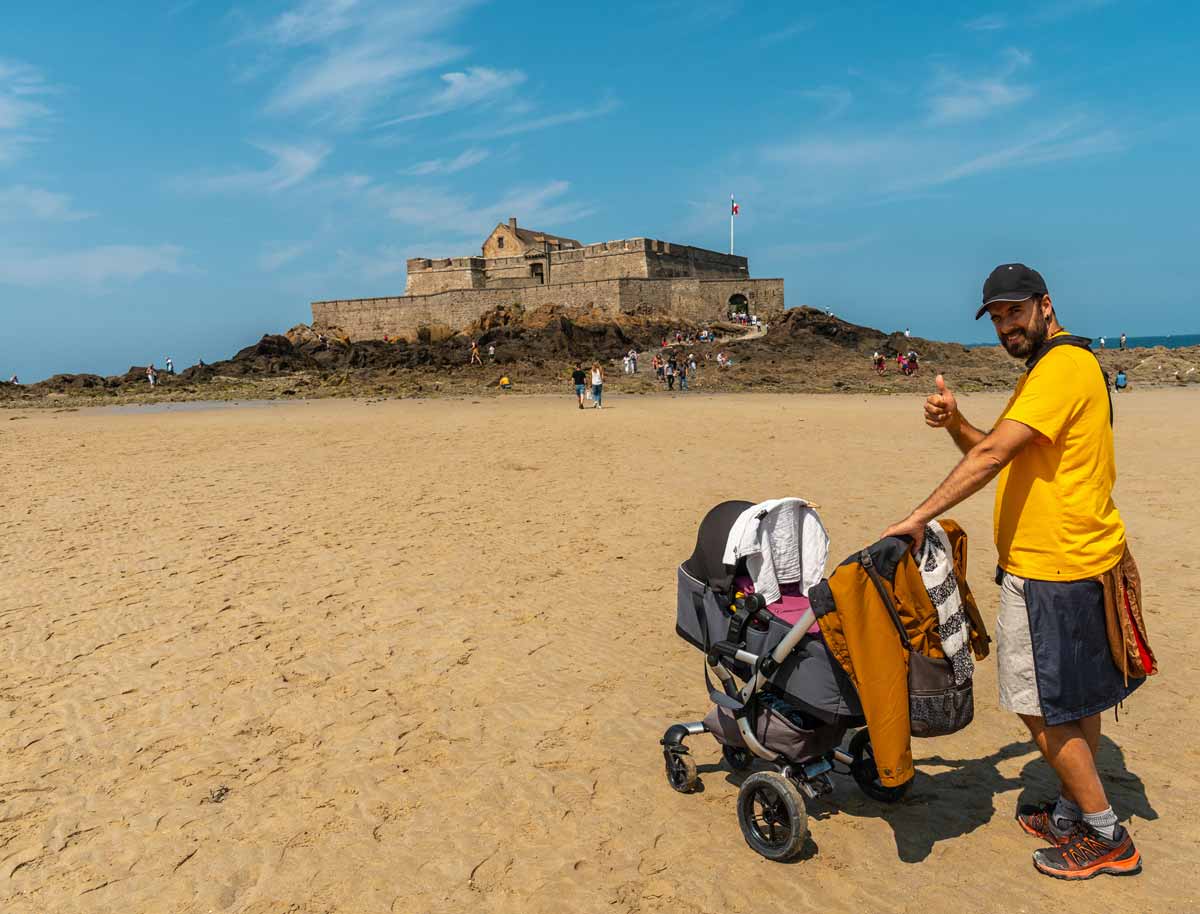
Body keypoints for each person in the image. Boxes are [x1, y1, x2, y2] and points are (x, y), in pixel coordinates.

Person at [882, 263, 1144, 880]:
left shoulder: (1058, 369)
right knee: (1074, 701)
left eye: (1014, 312)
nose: (1005, 326)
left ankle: (1106, 834)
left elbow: (995, 453)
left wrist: (918, 516)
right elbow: (996, 448)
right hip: (1083, 557)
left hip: (1051, 568)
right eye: (996, 316)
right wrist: (955, 424)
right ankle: (1071, 810)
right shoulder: (1064, 366)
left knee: (1037, 704)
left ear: (1044, 305)